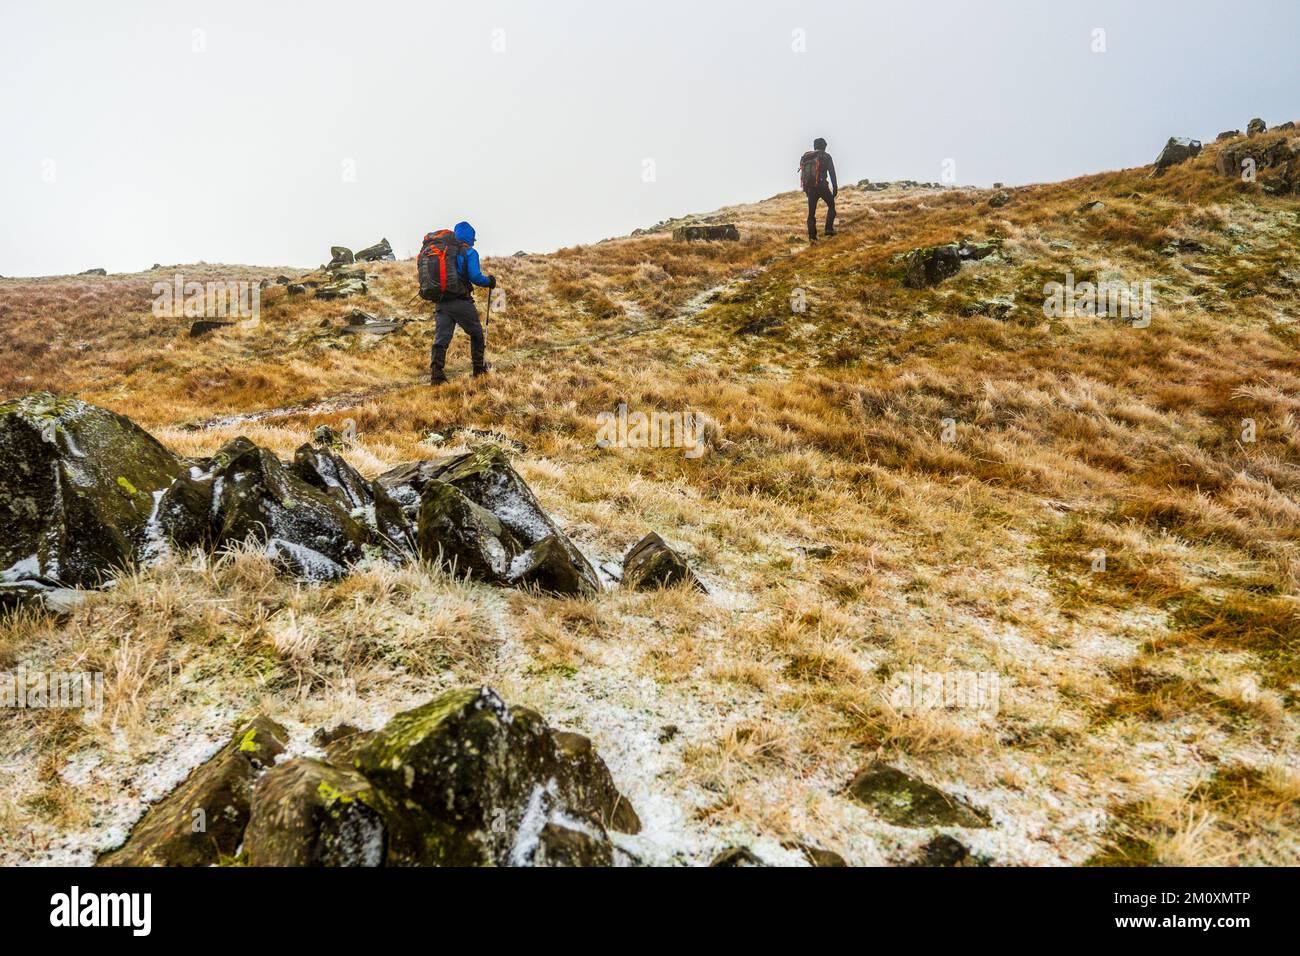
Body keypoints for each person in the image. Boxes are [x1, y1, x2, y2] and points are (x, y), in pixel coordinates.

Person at [430, 221, 496, 385]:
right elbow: (475, 277)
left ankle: (437, 376)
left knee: (441, 339)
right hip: (460, 301)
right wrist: (489, 281)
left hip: (441, 301)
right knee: (476, 333)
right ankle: (478, 369)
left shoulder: (445, 252)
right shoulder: (470, 252)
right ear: (471, 237)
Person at [800, 137, 838, 242]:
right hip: (822, 186)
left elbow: (804, 175)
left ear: (815, 146)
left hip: (811, 188)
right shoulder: (826, 156)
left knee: (811, 213)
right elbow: (832, 172)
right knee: (831, 206)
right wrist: (835, 187)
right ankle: (828, 229)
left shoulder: (807, 157)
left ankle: (812, 237)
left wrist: (806, 189)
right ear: (824, 146)